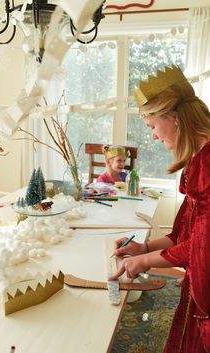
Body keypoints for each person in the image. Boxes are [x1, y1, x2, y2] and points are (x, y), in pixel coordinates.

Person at [109, 66, 210, 353]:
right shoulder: (197, 161)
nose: (152, 136)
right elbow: (183, 235)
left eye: (153, 125)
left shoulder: (207, 165)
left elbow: (201, 250)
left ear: (174, 118)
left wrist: (146, 262)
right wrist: (144, 249)